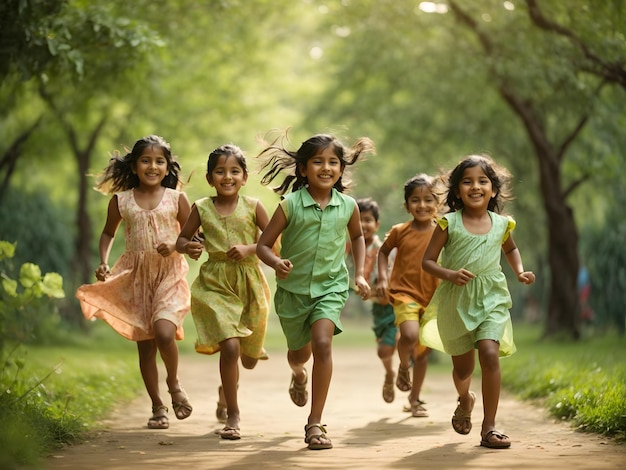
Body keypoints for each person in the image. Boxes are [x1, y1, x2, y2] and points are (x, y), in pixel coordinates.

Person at [256, 131, 374, 450]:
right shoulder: (290, 205)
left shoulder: (348, 205)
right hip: (293, 293)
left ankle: (315, 423)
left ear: (341, 169)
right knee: (300, 354)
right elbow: (263, 245)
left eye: (333, 162)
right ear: (303, 169)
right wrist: (276, 261)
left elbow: (358, 238)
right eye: (317, 161)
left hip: (331, 288)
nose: (326, 167)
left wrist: (361, 274)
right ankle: (297, 373)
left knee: (322, 343)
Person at [76, 135, 193, 430]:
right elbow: (107, 233)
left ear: (167, 167)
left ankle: (174, 384)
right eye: (146, 160)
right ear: (134, 166)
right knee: (146, 346)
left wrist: (176, 246)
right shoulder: (121, 201)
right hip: (136, 276)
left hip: (169, 273)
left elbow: (192, 236)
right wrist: (103, 261)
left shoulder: (177, 198)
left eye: (159, 161)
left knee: (164, 332)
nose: (152, 166)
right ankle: (157, 407)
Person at [422, 154, 535, 449]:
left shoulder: (502, 224)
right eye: (467, 181)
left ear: (493, 190)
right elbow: (428, 262)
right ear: (457, 190)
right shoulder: (449, 223)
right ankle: (465, 398)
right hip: (456, 300)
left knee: (489, 353)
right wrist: (449, 274)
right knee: (463, 371)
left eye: (482, 181)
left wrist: (520, 271)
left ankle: (490, 427)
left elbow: (511, 250)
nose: (475, 186)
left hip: (491, 298)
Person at [176, 144, 271, 440]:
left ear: (244, 177)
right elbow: (181, 240)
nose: (227, 176)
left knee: (248, 358)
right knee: (230, 347)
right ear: (209, 178)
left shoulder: (254, 206)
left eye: (234, 171)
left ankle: (226, 388)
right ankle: (234, 415)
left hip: (250, 283)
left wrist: (250, 248)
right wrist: (189, 246)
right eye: (220, 171)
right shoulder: (201, 207)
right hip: (215, 283)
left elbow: (273, 243)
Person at [376, 174, 442, 418]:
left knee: (423, 354)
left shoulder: (443, 232)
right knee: (410, 335)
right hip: (404, 293)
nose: (422, 205)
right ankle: (404, 367)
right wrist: (383, 278)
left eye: (428, 200)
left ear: (438, 203)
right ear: (406, 206)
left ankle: (414, 400)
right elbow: (383, 253)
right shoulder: (399, 231)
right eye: (415, 200)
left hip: (433, 299)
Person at [346, 197, 399, 404]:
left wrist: (373, 291)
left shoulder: (382, 250)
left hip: (393, 306)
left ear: (377, 225)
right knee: (383, 351)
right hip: (378, 309)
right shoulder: (348, 248)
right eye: (357, 220)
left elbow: (388, 281)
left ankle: (402, 367)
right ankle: (389, 373)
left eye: (367, 220)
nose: (362, 225)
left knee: (387, 347)